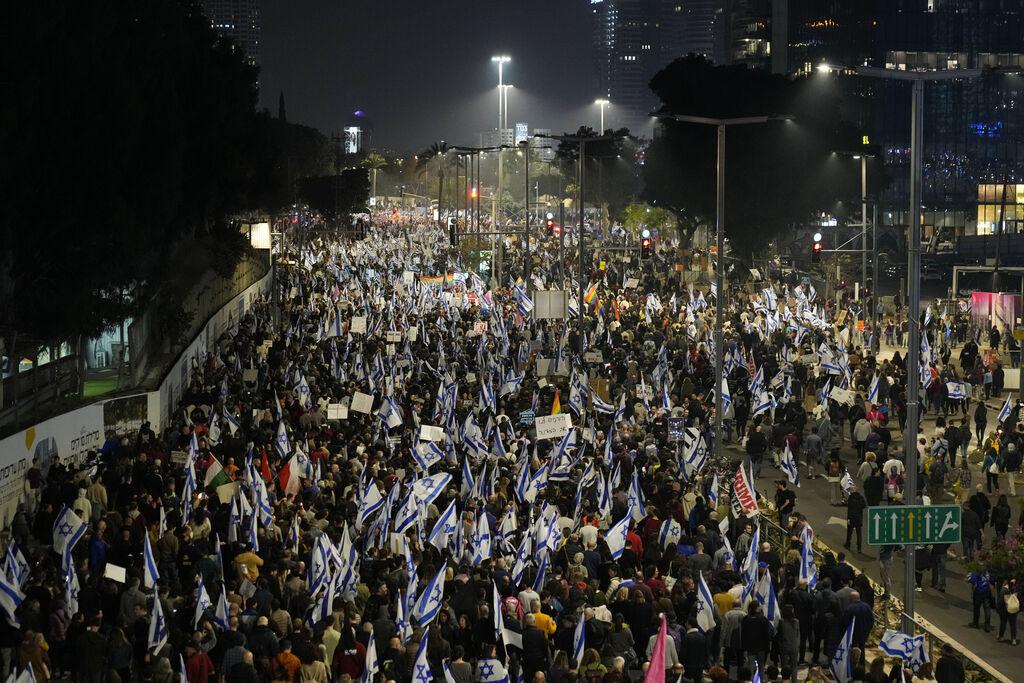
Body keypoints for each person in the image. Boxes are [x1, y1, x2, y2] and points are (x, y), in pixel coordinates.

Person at [844, 485, 867, 553]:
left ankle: (848, 544)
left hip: (852, 518)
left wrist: (848, 519)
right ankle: (859, 548)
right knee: (859, 534)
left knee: (849, 532)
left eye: (851, 490)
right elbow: (864, 505)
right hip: (859, 518)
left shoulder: (851, 498)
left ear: (853, 491)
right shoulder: (861, 497)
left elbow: (849, 509)